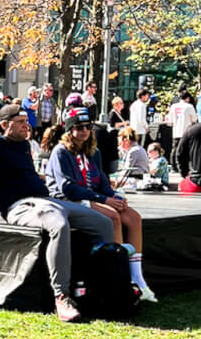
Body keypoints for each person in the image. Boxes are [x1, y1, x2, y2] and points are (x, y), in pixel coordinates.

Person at [0, 102, 114, 321]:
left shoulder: (24, 145)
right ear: (3, 125)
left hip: (46, 200)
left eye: (26, 121)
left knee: (103, 222)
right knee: (58, 223)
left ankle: (104, 288)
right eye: (19, 122)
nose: (26, 126)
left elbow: (24, 175)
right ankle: (61, 296)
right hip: (19, 207)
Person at [45, 112, 155, 300]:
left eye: (88, 127)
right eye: (79, 128)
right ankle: (119, 274)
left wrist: (115, 196)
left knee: (133, 217)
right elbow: (67, 187)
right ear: (69, 130)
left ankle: (138, 278)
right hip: (68, 199)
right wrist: (104, 200)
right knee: (112, 216)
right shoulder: (61, 151)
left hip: (93, 196)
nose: (85, 131)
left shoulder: (94, 152)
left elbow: (102, 182)